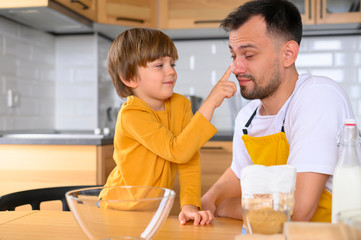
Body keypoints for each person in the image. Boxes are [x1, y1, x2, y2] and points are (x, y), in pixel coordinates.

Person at [201, 0, 354, 222]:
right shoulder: (248, 118)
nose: (236, 68)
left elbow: (297, 211)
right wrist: (209, 200)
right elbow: (238, 176)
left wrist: (224, 206)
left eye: (249, 55)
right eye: (233, 55)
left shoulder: (318, 97)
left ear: (288, 54)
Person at [101, 28, 237, 225]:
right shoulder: (132, 114)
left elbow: (188, 157)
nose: (171, 71)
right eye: (159, 65)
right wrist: (211, 103)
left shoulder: (180, 105)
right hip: (118, 209)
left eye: (172, 63)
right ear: (129, 77)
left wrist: (190, 204)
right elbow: (177, 150)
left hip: (155, 210)